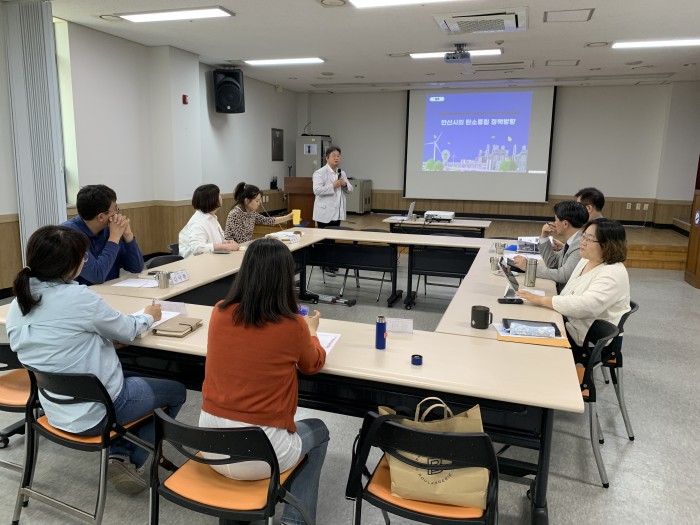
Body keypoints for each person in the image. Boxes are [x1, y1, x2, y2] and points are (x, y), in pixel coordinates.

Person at [5, 225, 187, 494]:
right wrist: (149, 315)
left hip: (54, 409)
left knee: (131, 376)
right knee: (176, 390)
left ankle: (120, 451)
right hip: (99, 411)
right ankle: (126, 457)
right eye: (84, 257)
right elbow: (127, 329)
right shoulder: (79, 297)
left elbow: (61, 343)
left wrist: (97, 341)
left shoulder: (18, 301)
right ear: (69, 265)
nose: (84, 261)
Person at [200, 238, 329, 525]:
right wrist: (312, 332)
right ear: (285, 278)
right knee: (319, 431)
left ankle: (236, 515)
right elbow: (313, 364)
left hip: (209, 443)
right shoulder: (293, 325)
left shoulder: (219, 311)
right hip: (262, 452)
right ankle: (296, 521)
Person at [516, 218, 631, 362]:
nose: (582, 242)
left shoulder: (612, 273)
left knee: (525, 341)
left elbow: (585, 306)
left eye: (589, 239)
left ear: (608, 245)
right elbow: (568, 293)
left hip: (587, 341)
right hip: (571, 324)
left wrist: (541, 300)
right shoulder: (587, 260)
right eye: (583, 236)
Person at [62, 184, 144, 285]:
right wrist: (114, 238)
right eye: (115, 209)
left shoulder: (110, 228)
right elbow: (96, 276)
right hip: (84, 296)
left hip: (112, 292)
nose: (117, 214)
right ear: (101, 217)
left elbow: (136, 267)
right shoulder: (68, 235)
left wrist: (128, 236)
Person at [513, 201, 588, 292]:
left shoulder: (580, 245)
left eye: (556, 219)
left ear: (565, 224)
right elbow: (553, 263)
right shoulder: (573, 240)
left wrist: (529, 267)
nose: (554, 223)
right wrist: (544, 236)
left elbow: (563, 275)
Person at [179, 184, 239, 258]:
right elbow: (197, 248)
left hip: (210, 260)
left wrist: (226, 243)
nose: (221, 197)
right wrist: (224, 246)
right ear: (212, 200)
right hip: (196, 264)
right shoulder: (198, 221)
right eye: (219, 195)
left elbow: (214, 242)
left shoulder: (211, 217)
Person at [224, 182, 293, 244]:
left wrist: (288, 217)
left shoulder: (251, 212)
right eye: (257, 201)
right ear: (247, 201)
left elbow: (267, 220)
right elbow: (241, 240)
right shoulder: (235, 214)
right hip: (233, 250)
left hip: (244, 247)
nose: (259, 203)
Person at [312, 145, 353, 229]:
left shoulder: (341, 172)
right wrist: (333, 186)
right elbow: (317, 190)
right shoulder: (319, 173)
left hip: (337, 213)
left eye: (338, 156)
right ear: (327, 158)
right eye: (333, 156)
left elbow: (350, 189)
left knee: (333, 238)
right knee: (324, 239)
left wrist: (345, 184)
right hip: (324, 213)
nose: (336, 158)